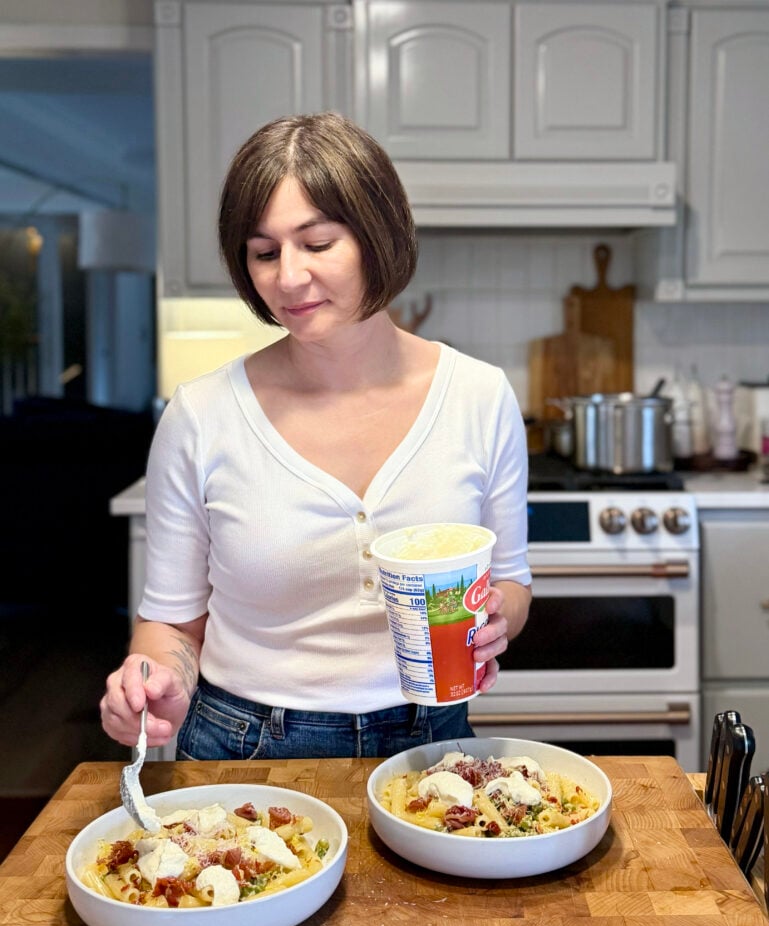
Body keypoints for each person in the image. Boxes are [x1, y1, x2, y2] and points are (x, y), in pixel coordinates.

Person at [100, 111, 532, 760]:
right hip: (240, 743)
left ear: (376, 235)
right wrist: (152, 679)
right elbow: (170, 622)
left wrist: (495, 617)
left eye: (317, 243)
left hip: (432, 736)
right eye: (264, 252)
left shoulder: (478, 394)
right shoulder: (201, 414)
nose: (288, 277)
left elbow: (511, 582)